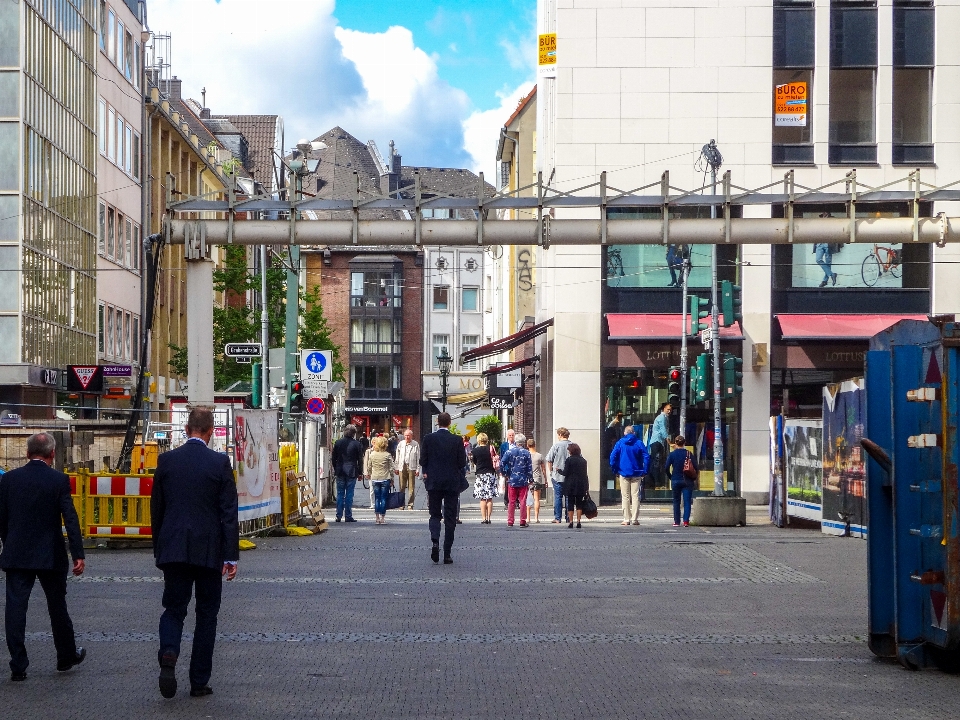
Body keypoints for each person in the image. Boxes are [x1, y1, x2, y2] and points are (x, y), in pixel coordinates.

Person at [151, 408, 239, 699]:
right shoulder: (219, 462)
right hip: (209, 551)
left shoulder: (166, 461)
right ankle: (199, 680)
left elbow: (157, 510)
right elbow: (228, 511)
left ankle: (169, 652)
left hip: (173, 548)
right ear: (211, 431)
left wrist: (159, 548)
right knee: (207, 615)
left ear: (187, 429)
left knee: (173, 609)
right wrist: (230, 556)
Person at [0, 432, 86, 682]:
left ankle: (18, 665)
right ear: (52, 454)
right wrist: (77, 554)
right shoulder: (59, 480)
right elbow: (70, 517)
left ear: (27, 453)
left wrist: (8, 542)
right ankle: (65, 656)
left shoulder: (9, 480)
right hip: (51, 553)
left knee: (15, 608)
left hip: (17, 552)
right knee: (57, 606)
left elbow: (2, 518)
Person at [420, 412, 467, 564]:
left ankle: (435, 542)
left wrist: (428, 471)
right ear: (449, 422)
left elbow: (422, 460)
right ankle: (447, 553)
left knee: (434, 514)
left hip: (434, 482)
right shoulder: (457, 440)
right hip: (451, 483)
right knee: (450, 517)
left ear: (437, 422)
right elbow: (461, 463)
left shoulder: (428, 438)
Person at [609, 425, 650, 526]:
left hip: (623, 472)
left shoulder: (620, 443)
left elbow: (612, 458)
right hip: (637, 473)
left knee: (625, 496)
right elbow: (647, 457)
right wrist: (645, 470)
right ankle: (634, 519)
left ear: (624, 433)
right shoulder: (639, 443)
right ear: (634, 433)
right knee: (635, 496)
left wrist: (615, 470)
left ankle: (626, 519)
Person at [332, 425, 363, 522]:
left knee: (340, 493)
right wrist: (360, 472)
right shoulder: (357, 444)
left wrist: (335, 468)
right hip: (352, 471)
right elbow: (360, 460)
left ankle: (338, 515)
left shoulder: (338, 443)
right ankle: (348, 516)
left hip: (340, 471)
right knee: (349, 494)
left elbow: (333, 458)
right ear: (354, 433)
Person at [501, 433, 532, 527]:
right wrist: (530, 479)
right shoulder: (527, 453)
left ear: (515, 441)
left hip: (512, 479)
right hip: (523, 480)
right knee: (522, 501)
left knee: (512, 501)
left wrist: (505, 473)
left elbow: (502, 463)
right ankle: (522, 521)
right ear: (524, 442)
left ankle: (510, 521)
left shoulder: (509, 452)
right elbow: (529, 468)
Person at [666, 435, 696, 527]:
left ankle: (676, 522)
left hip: (675, 480)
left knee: (676, 501)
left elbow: (666, 467)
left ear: (675, 443)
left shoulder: (672, 454)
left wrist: (671, 476)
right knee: (687, 501)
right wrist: (693, 478)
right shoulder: (689, 453)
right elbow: (696, 467)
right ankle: (686, 521)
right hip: (687, 480)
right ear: (684, 443)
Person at [557, 443, 589, 529]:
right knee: (579, 503)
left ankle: (571, 522)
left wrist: (559, 470)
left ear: (571, 451)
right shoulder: (583, 461)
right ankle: (578, 521)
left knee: (570, 503)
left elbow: (565, 473)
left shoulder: (569, 460)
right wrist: (587, 487)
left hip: (570, 484)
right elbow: (585, 475)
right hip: (580, 484)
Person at [365, 435, 395, 524]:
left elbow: (369, 466)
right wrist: (392, 479)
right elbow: (391, 468)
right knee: (384, 498)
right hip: (385, 478)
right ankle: (382, 518)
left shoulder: (372, 454)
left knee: (377, 498)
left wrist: (369, 474)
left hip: (375, 478)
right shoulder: (387, 455)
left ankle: (377, 517)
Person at [545, 427, 571, 523]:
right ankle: (569, 517)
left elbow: (549, 459)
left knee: (558, 497)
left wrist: (551, 471)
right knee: (568, 497)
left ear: (560, 435)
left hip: (557, 476)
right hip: (569, 477)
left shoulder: (556, 446)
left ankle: (557, 518)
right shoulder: (573, 446)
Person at [471, 433, 498, 524]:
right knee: (489, 498)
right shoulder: (491, 448)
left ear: (478, 440)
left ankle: (483, 518)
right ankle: (489, 518)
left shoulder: (475, 451)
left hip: (480, 475)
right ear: (486, 440)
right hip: (490, 474)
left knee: (482, 498)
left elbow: (474, 461)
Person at [393, 428, 420, 510]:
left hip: (411, 466)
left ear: (411, 436)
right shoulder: (401, 444)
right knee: (402, 486)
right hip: (402, 466)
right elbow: (397, 456)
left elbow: (418, 457)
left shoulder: (415, 444)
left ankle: (410, 504)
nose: (407, 437)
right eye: (405, 435)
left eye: (408, 435)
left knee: (411, 487)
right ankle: (401, 504)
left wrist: (418, 469)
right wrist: (396, 467)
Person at [648, 403, 672, 488]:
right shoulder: (662, 417)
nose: (669, 411)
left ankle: (654, 483)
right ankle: (656, 483)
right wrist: (669, 442)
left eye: (670, 410)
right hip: (657, 442)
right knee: (656, 463)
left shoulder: (664, 417)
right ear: (663, 409)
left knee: (656, 462)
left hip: (658, 442)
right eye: (667, 409)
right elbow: (663, 430)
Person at [527, 438, 547, 523]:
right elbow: (543, 469)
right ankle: (536, 518)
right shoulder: (539, 456)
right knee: (536, 499)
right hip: (537, 479)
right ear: (535, 445)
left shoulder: (526, 455)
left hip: (528, 480)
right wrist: (546, 480)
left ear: (527, 446)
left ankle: (528, 518)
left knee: (528, 499)